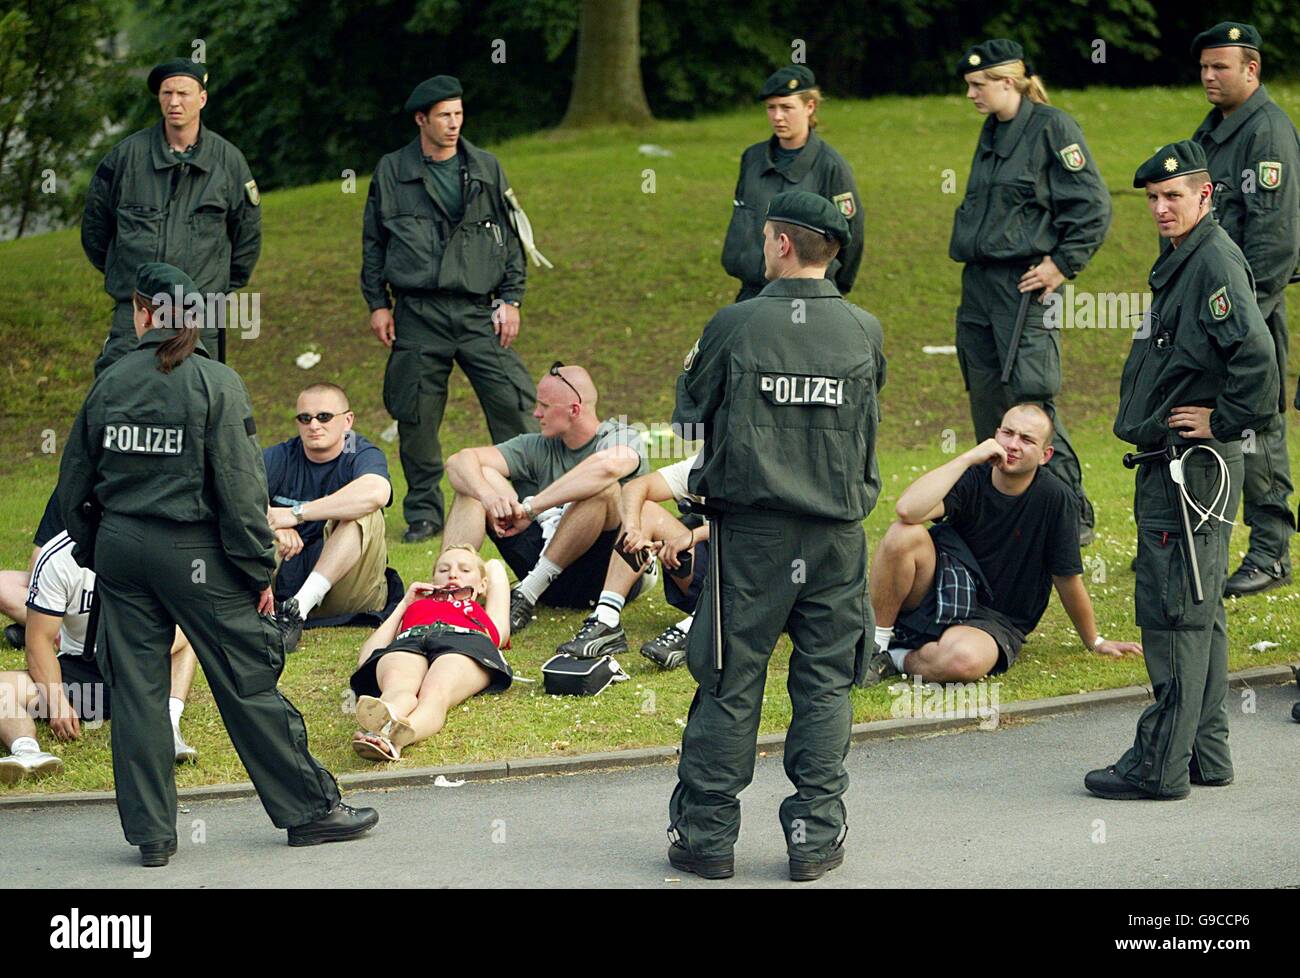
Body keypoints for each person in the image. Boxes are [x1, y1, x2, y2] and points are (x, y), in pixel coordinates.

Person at [54, 262, 377, 865]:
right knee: (246, 680)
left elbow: (73, 482)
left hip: (122, 548)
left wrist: (98, 546)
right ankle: (310, 811)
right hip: (194, 551)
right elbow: (239, 488)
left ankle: (152, 836)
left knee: (136, 693)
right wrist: (258, 571)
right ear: (194, 318)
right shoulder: (215, 382)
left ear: (141, 310)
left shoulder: (110, 382)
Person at [668, 191, 885, 883]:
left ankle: (706, 835)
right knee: (824, 683)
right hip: (837, 537)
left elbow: (687, 421)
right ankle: (814, 836)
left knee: (731, 679)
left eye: (766, 237)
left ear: (782, 244)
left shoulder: (736, 325)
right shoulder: (863, 330)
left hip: (754, 536)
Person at [1085, 141, 1278, 801]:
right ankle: (1205, 752)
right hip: (1177, 466)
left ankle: (1157, 766)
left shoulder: (1213, 261)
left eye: (1174, 196)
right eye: (1153, 199)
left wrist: (1222, 421)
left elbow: (1258, 360)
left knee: (1174, 613)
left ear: (1206, 195)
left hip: (1188, 468)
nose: (1162, 208)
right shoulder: (1187, 260)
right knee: (1203, 611)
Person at [362, 74, 544, 544]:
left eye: (459, 114)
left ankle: (533, 498)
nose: (454, 123)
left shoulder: (485, 167)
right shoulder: (392, 170)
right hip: (417, 312)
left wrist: (512, 298)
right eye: (444, 115)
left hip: (478, 309)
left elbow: (511, 242)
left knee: (514, 403)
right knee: (417, 416)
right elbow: (373, 243)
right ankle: (424, 512)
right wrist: (377, 304)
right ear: (421, 119)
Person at [950, 39, 1111, 544]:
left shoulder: (1051, 127)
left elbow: (1092, 205)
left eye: (979, 85)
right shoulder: (992, 128)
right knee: (989, 403)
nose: (972, 94)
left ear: (1008, 81)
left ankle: (1071, 515)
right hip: (979, 283)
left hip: (1023, 284)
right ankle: (1001, 511)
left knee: (1031, 403)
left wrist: (1061, 265)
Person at [860, 404, 1141, 687]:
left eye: (1027, 439)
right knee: (902, 534)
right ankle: (875, 645)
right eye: (1008, 433)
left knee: (961, 661)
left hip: (995, 619)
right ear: (995, 435)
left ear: (1046, 455)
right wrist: (967, 458)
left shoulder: (1056, 499)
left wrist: (1094, 640)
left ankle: (896, 658)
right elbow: (908, 510)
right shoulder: (974, 475)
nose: (1013, 445)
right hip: (943, 587)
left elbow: (1066, 578)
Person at [1189, 22, 1300, 596]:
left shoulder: (1268, 133)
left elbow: (1275, 242)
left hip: (1247, 312)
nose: (1209, 76)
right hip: (1205, 308)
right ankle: (1195, 539)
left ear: (1251, 69)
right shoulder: (1212, 132)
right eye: (1204, 67)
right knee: (1201, 424)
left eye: (1221, 67)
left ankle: (1269, 552)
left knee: (1258, 429)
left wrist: (1240, 320)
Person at [441, 363, 651, 634]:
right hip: (547, 565)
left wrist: (531, 508)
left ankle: (528, 592)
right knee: (474, 479)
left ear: (574, 410)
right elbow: (458, 461)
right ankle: (445, 595)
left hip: (602, 578)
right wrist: (488, 496)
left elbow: (607, 468)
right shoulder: (537, 444)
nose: (536, 413)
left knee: (604, 489)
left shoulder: (622, 437)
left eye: (545, 406)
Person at [81, 59, 261, 373]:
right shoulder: (125, 158)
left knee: (201, 402)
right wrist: (128, 279)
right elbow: (96, 230)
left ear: (202, 99)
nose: (174, 102)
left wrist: (212, 288)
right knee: (120, 397)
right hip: (137, 309)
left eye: (183, 93)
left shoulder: (229, 163)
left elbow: (246, 237)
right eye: (166, 93)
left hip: (201, 312)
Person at [0, 530, 201, 784]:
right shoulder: (58, 556)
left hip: (141, 667)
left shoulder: (155, 544)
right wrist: (57, 701)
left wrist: (138, 660)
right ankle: (27, 752)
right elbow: (38, 641)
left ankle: (168, 729)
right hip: (84, 678)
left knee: (185, 630)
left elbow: (184, 618)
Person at [348, 545, 511, 761]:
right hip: (411, 639)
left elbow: (496, 568)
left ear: (483, 584)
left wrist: (478, 571)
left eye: (464, 570)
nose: (452, 574)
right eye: (444, 570)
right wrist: (405, 604)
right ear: (433, 580)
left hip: (465, 641)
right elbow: (367, 657)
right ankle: (381, 726)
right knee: (399, 687)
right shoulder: (416, 607)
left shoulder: (482, 615)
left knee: (435, 691)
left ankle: (395, 739)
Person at [262, 383, 395, 641]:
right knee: (247, 517)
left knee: (365, 511)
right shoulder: (281, 455)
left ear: (347, 421)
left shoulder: (359, 452)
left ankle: (298, 610)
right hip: (284, 579)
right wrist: (276, 525)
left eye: (324, 417)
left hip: (346, 587)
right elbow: (231, 497)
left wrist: (295, 514)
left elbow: (377, 492)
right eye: (305, 418)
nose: (314, 425)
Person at [722, 66, 863, 302]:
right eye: (771, 107)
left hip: (804, 297)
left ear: (810, 107)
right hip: (752, 294)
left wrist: (837, 286)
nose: (777, 116)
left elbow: (852, 233)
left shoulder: (831, 166)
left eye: (786, 107)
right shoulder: (752, 159)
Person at [556, 452, 709, 669]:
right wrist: (632, 528)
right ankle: (607, 618)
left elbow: (762, 533)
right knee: (645, 511)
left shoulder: (766, 467)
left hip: (756, 588)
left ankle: (698, 629)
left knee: (746, 547)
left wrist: (695, 535)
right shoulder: (706, 460)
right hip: (712, 572)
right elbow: (637, 486)